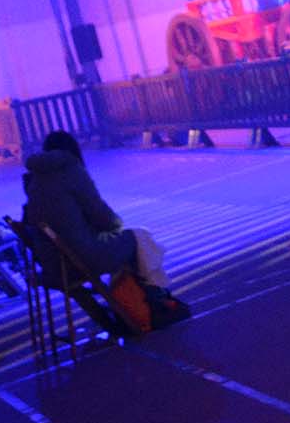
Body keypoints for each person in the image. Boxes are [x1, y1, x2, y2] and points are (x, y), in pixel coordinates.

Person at [22, 132, 186, 335]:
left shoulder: (35, 180)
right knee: (138, 237)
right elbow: (100, 213)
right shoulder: (70, 170)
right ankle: (153, 304)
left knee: (128, 243)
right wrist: (116, 225)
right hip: (83, 257)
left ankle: (134, 309)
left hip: (56, 262)